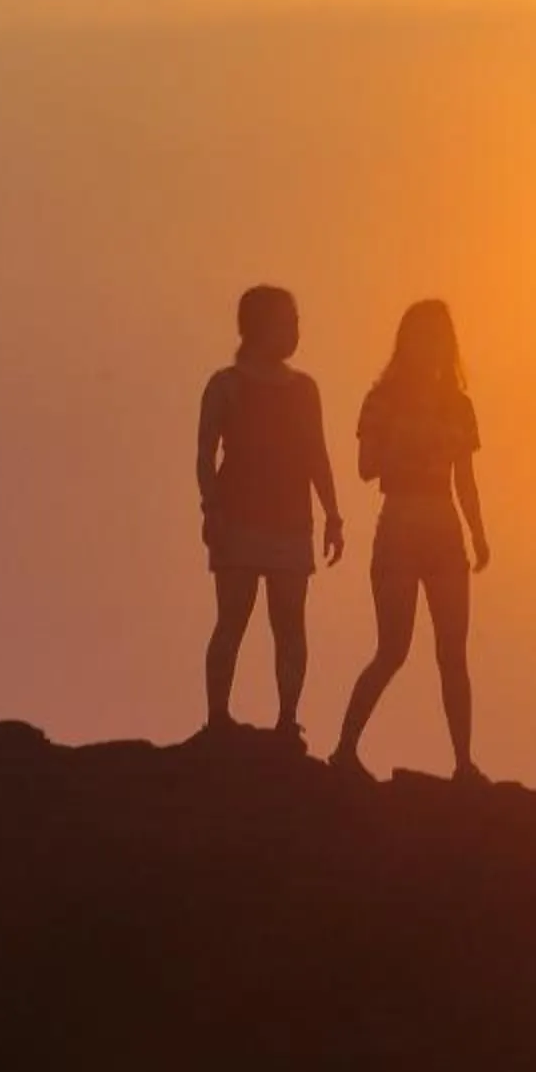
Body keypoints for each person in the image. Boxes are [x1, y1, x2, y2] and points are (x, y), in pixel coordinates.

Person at [332, 300, 490, 782]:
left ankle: (463, 763)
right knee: (392, 649)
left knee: (453, 653)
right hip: (399, 521)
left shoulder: (459, 405)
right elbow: (366, 467)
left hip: (444, 526)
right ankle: (345, 749)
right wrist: (403, 445)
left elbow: (465, 479)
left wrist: (479, 533)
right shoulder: (383, 399)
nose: (432, 346)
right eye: (423, 336)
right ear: (407, 342)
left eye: (440, 336)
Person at [195, 284, 342, 739]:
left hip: (291, 522)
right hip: (238, 519)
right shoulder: (225, 385)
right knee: (232, 620)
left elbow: (317, 454)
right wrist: (211, 509)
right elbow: (205, 455)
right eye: (287, 322)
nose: (296, 331)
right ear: (259, 327)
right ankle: (218, 717)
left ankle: (286, 721)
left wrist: (333, 514)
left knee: (290, 625)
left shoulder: (305, 390)